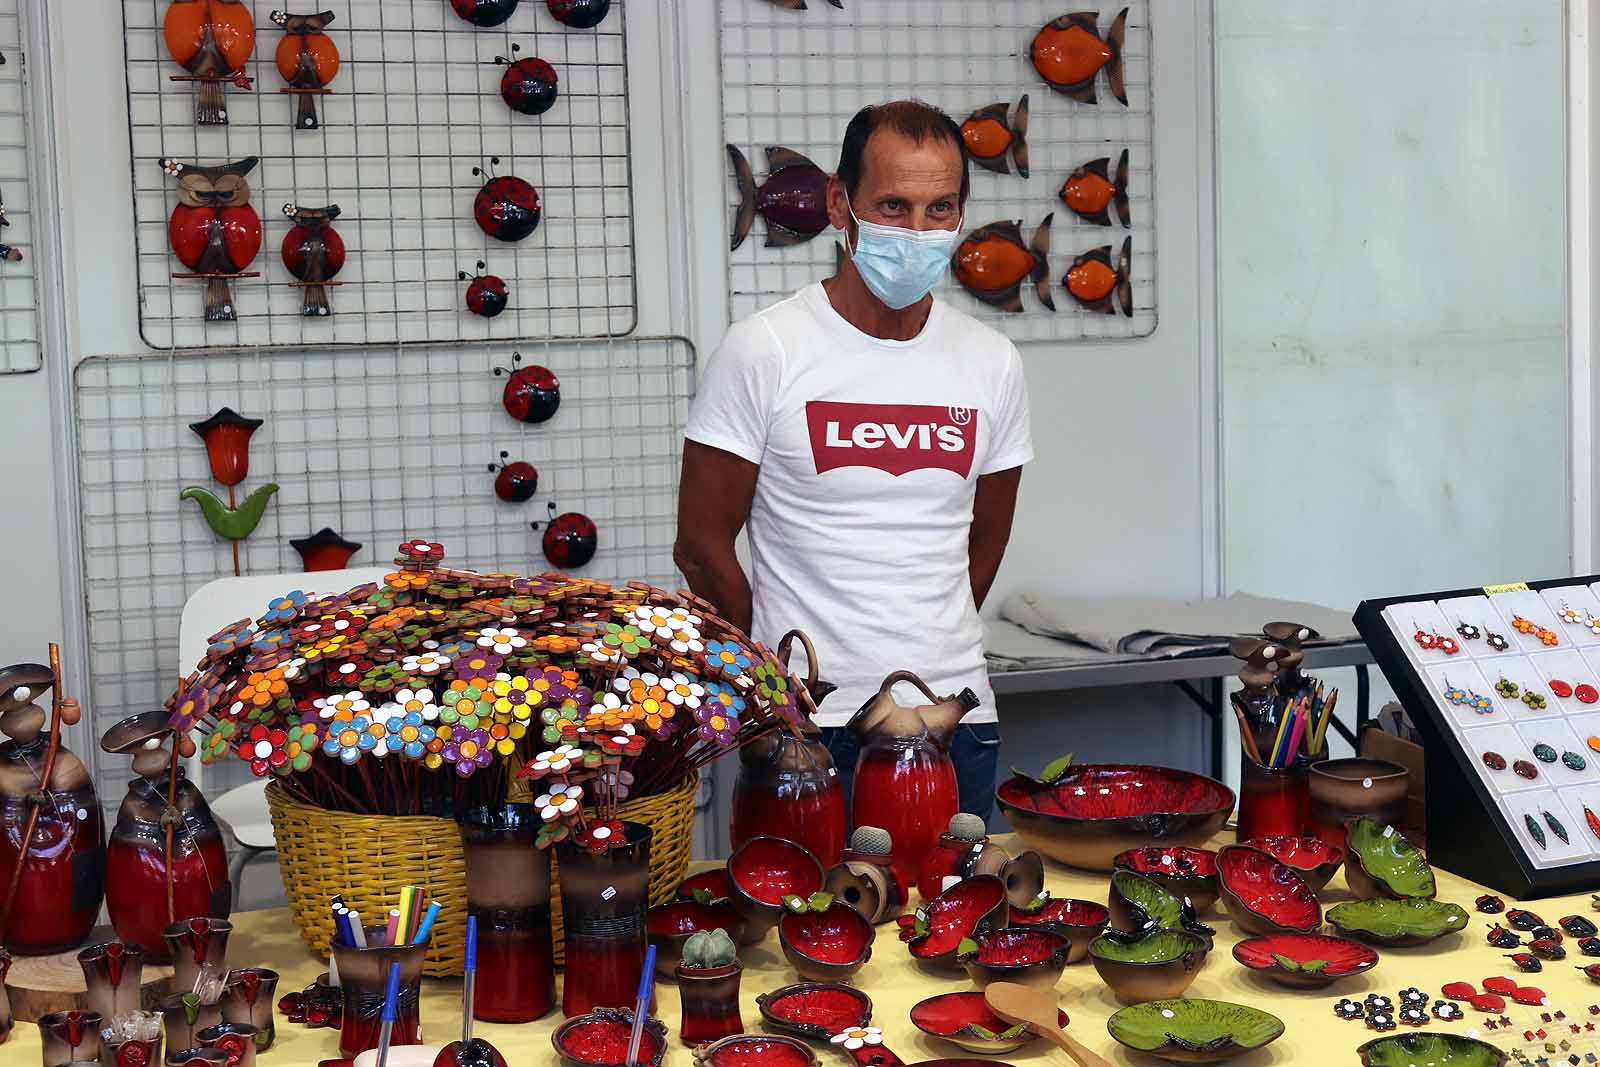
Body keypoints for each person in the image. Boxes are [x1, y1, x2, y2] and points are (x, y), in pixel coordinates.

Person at [675, 99, 1032, 822]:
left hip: (953, 715)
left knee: (953, 928)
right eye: (894, 205)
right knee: (799, 931)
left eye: (941, 209)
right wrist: (767, 676)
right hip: (809, 720)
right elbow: (701, 546)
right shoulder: (765, 349)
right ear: (841, 203)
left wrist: (935, 632)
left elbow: (985, 541)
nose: (918, 231)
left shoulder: (991, 361)